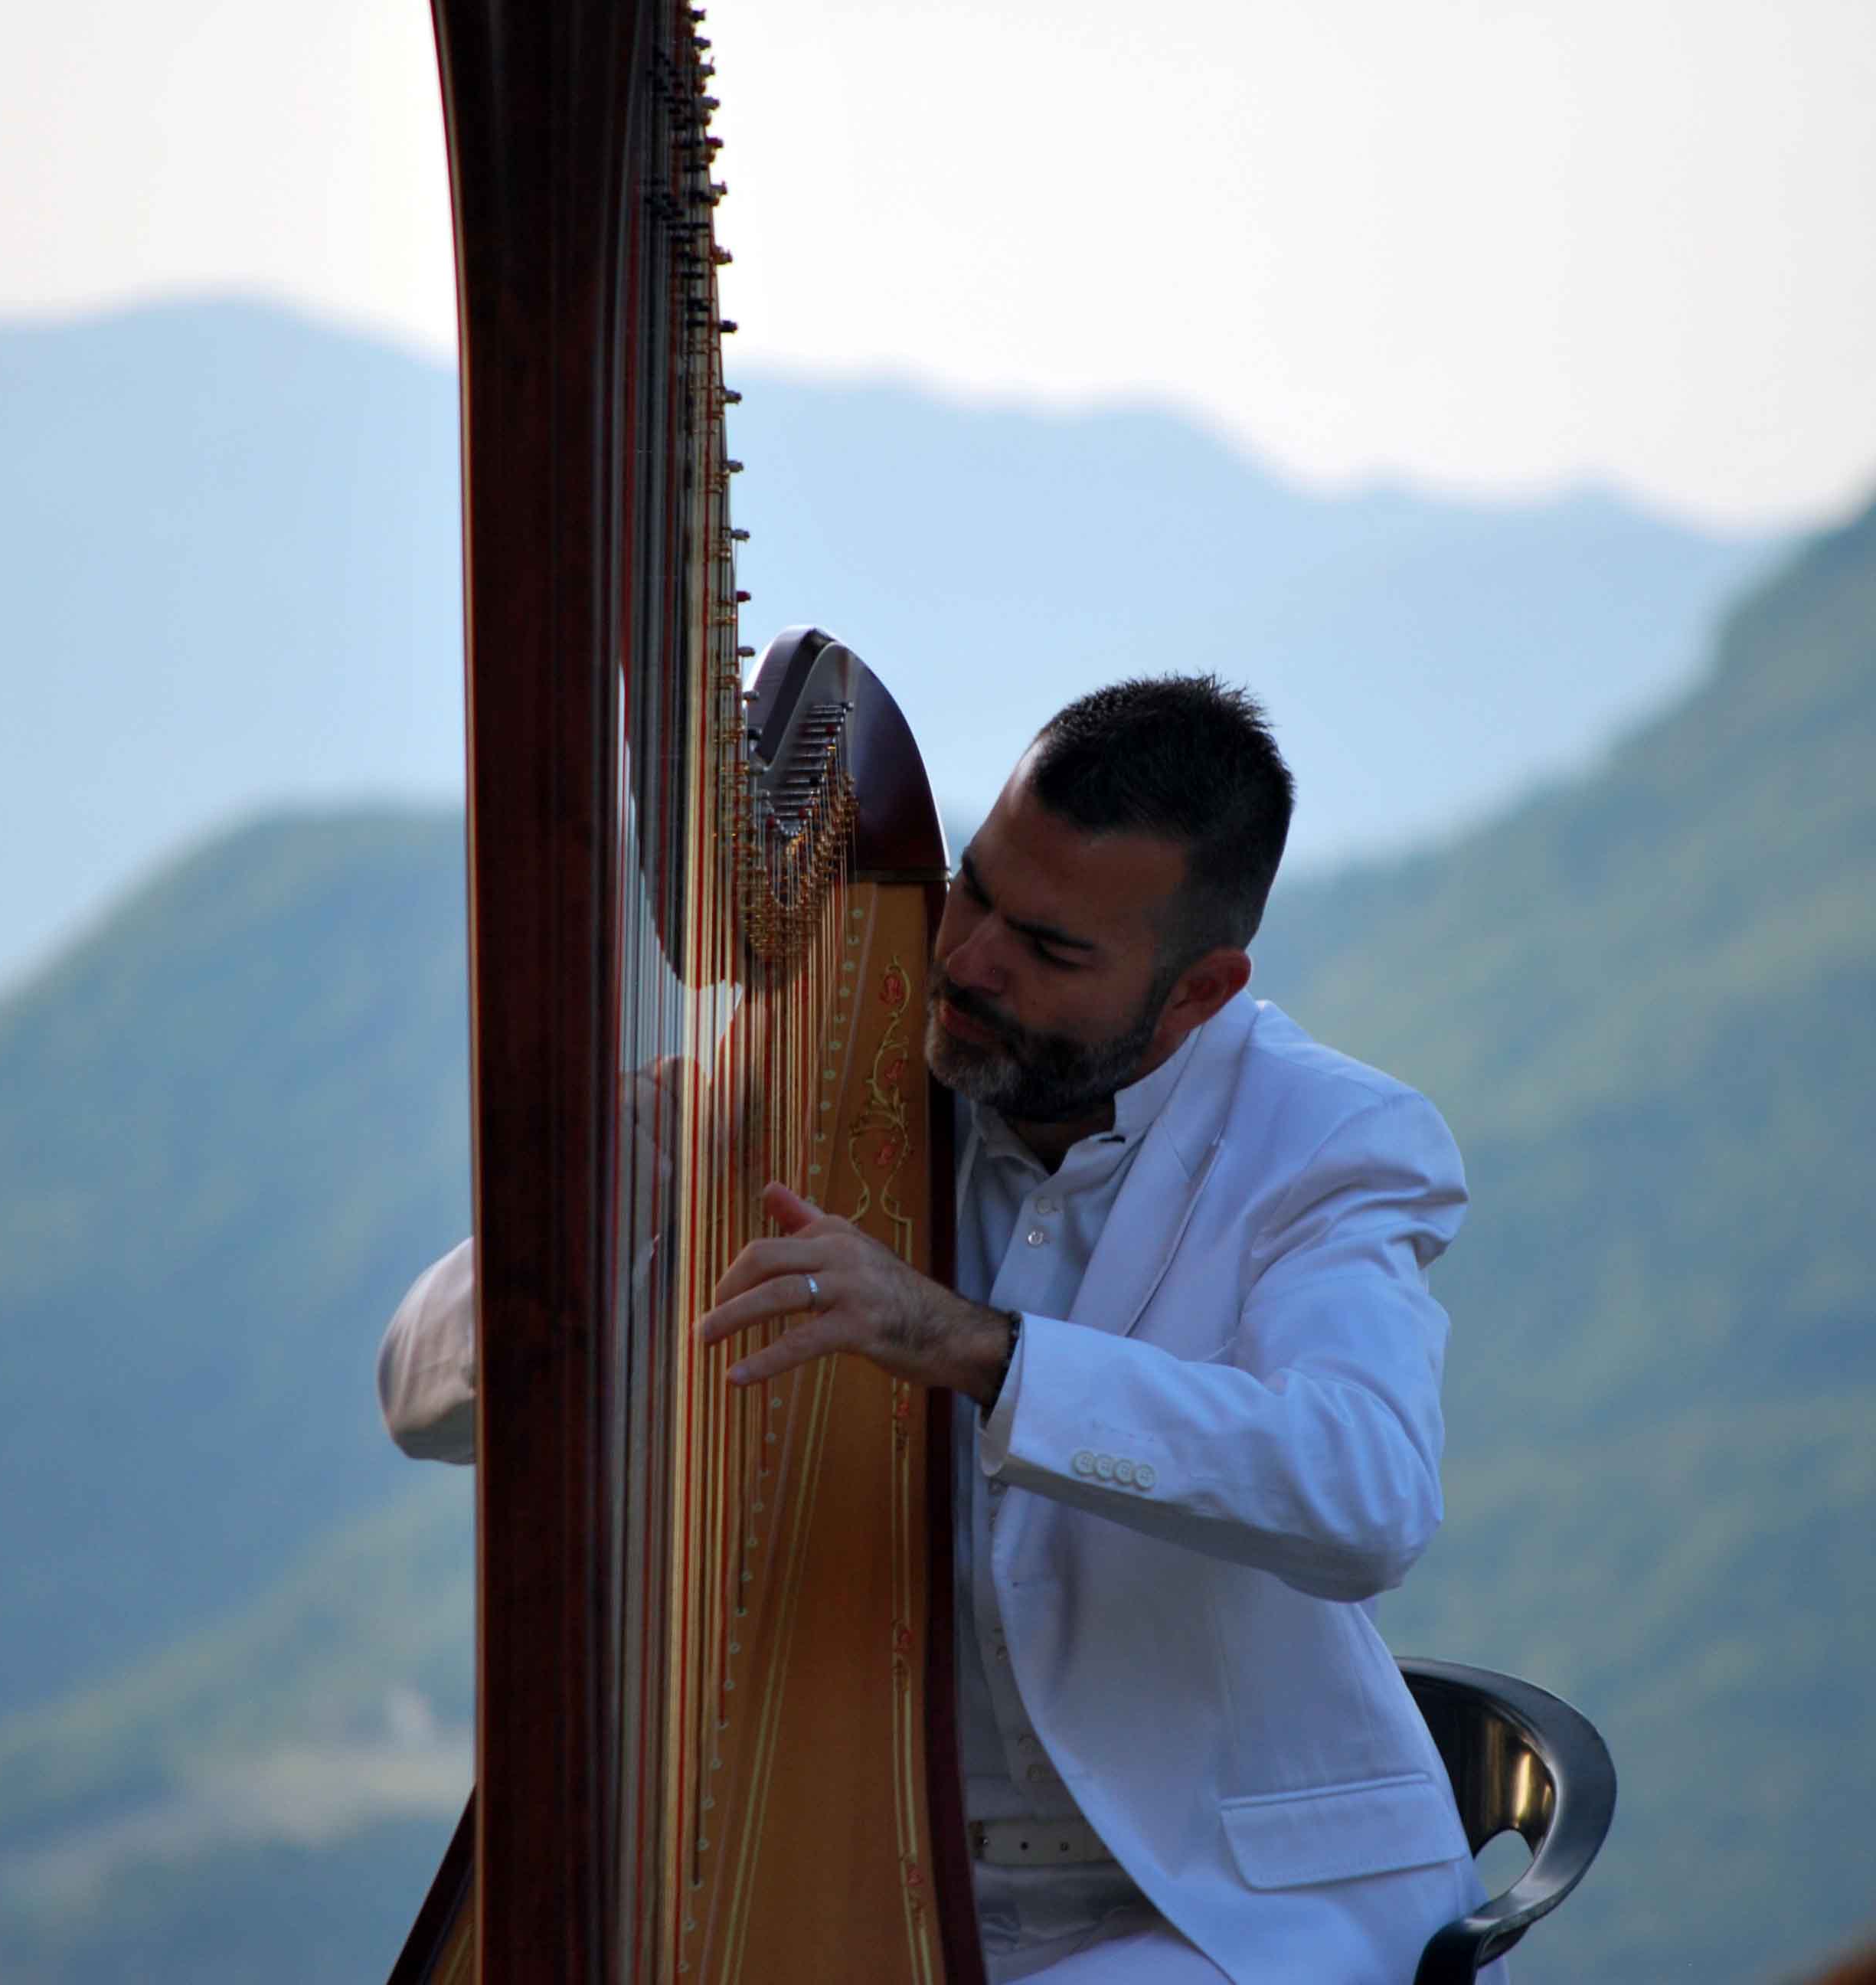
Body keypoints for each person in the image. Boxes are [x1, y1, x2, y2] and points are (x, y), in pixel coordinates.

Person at [379, 676, 1484, 1983]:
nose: (965, 962)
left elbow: (1366, 1496)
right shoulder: (828, 1069)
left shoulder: (1333, 1145)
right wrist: (601, 1211)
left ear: (1201, 990)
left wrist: (974, 1345)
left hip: (1211, 1906)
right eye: (973, 893)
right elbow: (419, 1404)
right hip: (883, 1868)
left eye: (1050, 950)